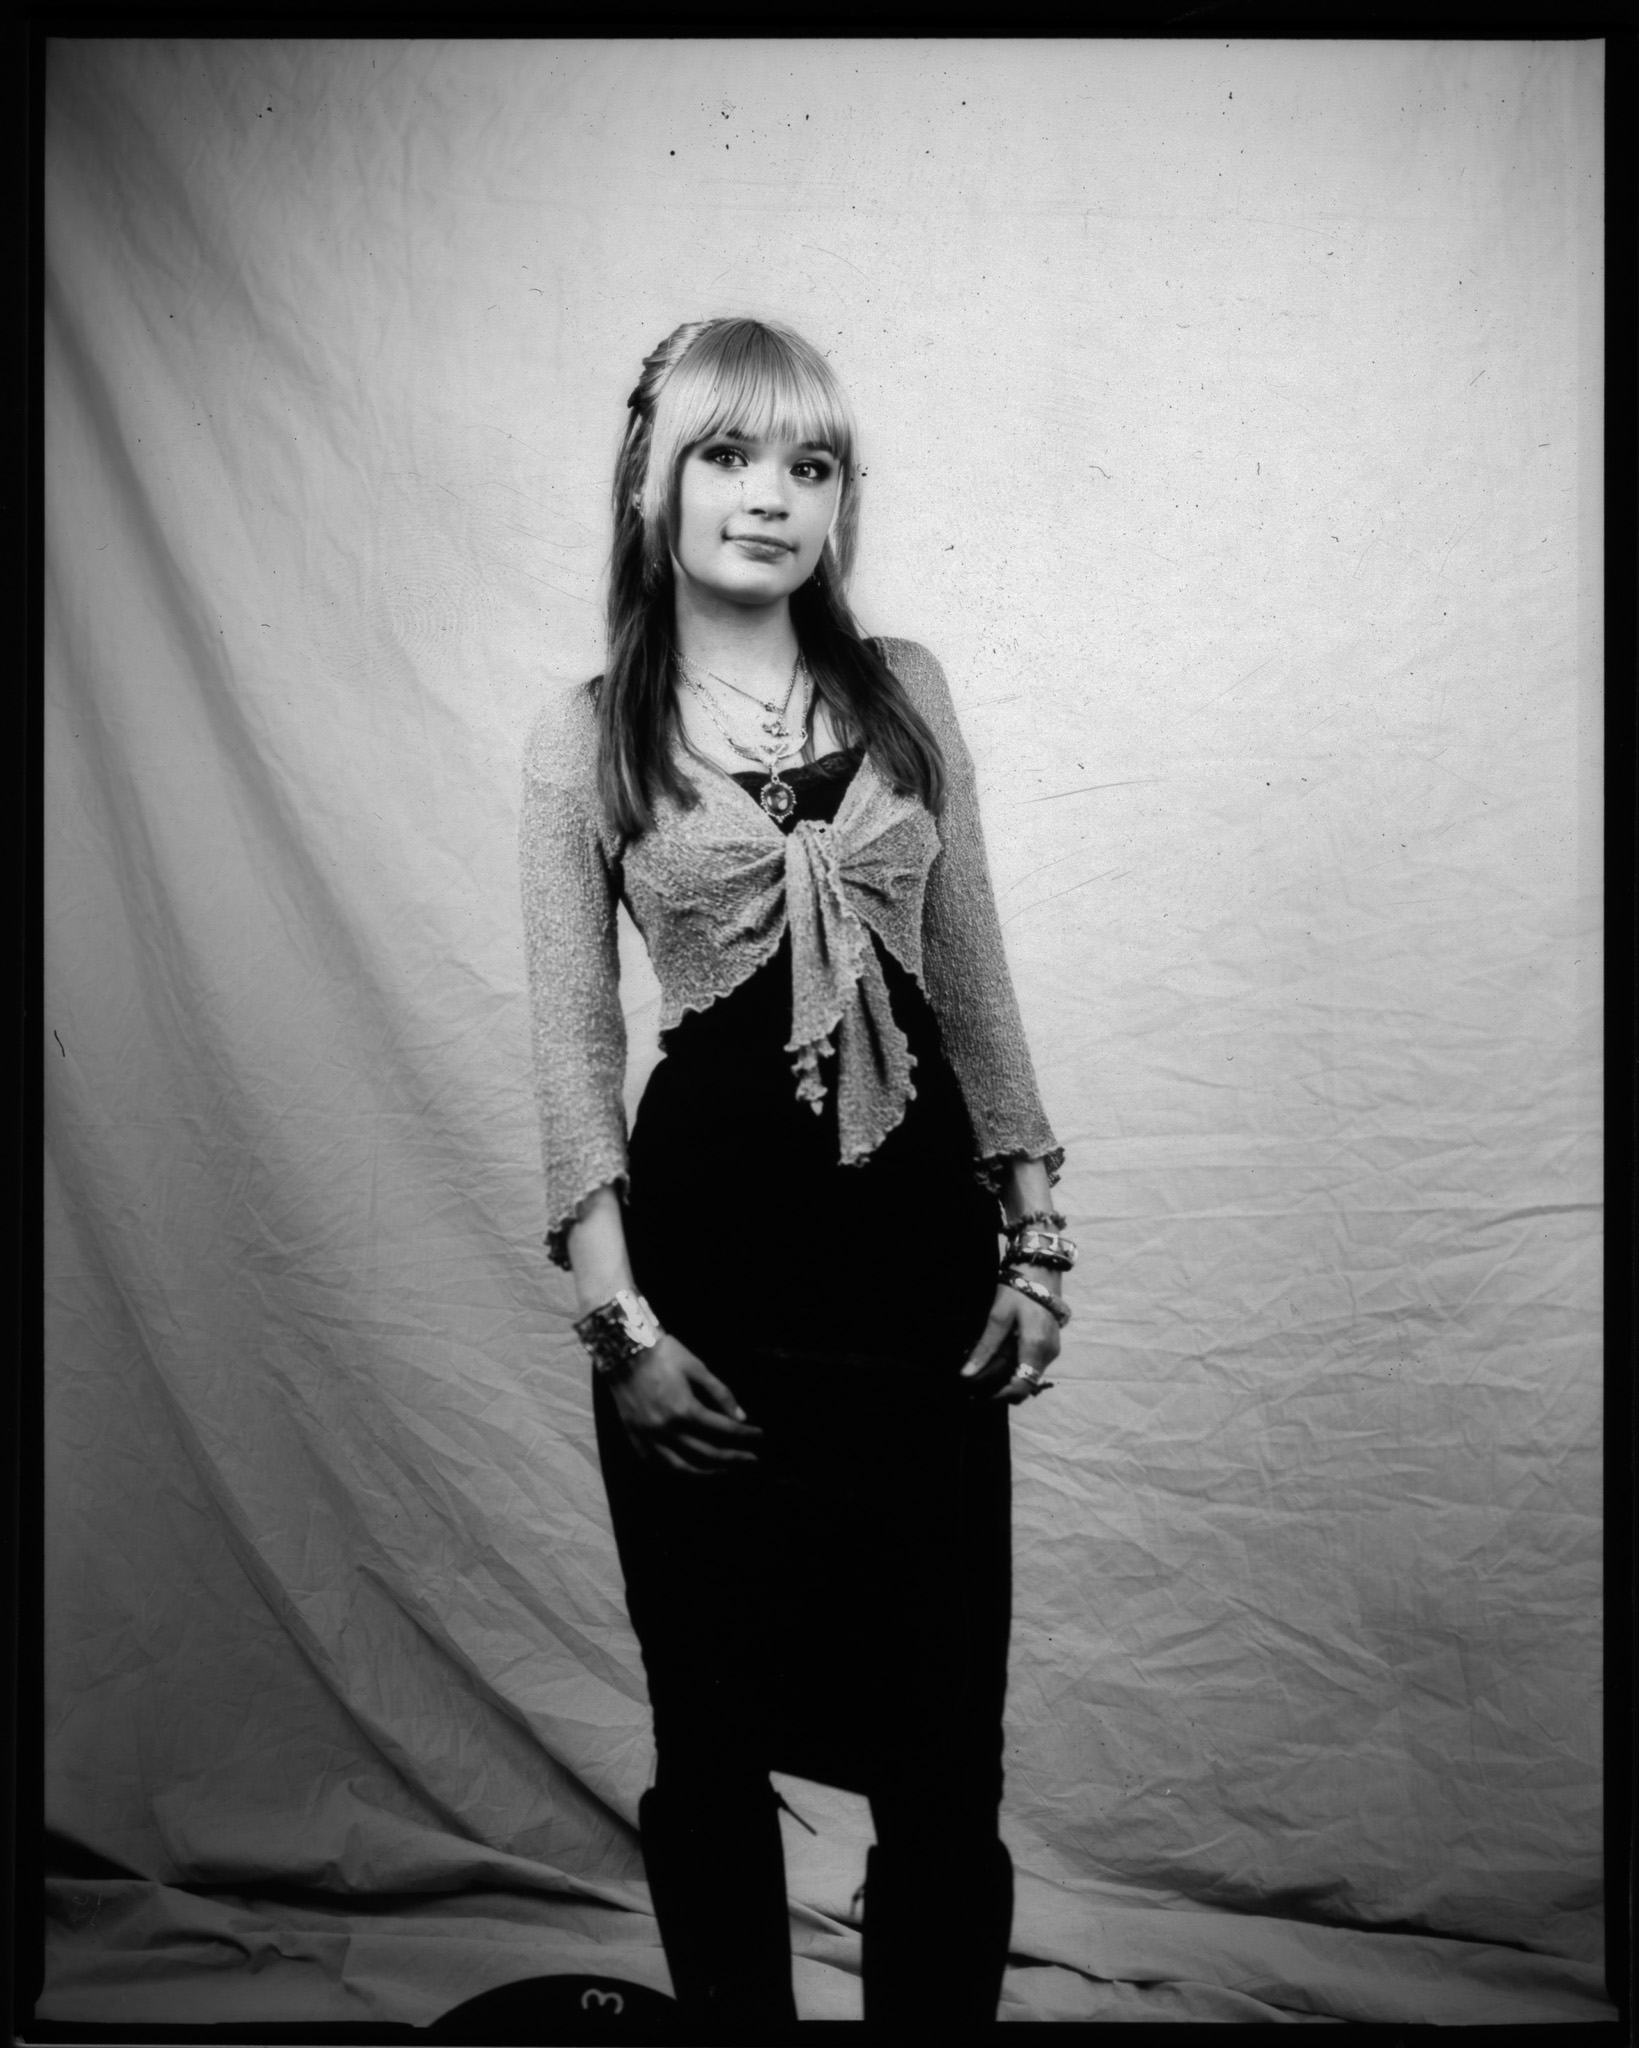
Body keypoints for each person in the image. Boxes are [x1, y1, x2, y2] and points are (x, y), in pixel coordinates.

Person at [520, 316, 1073, 2037]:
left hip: (912, 1280)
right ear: (653, 479)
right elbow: (570, 1055)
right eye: (730, 456)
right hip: (709, 1281)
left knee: (943, 1752)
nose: (772, 498)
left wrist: (1036, 1239)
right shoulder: (589, 732)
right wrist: (620, 1327)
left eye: (810, 466)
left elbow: (972, 980)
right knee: (713, 1732)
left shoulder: (906, 689)